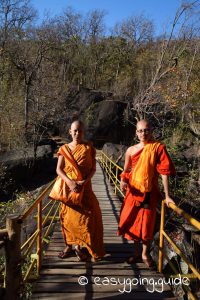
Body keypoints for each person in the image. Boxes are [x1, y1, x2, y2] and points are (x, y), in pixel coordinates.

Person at [117, 119, 176, 268]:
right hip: (133, 191)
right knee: (133, 223)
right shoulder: (130, 150)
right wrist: (122, 181)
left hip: (149, 192)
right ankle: (137, 253)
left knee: (147, 224)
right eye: (141, 130)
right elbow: (126, 170)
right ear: (136, 132)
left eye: (147, 130)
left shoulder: (157, 148)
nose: (144, 133)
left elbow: (164, 173)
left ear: (151, 131)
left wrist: (167, 196)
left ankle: (144, 254)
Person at [49, 120, 105, 261]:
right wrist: (70, 182)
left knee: (88, 216)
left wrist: (84, 182)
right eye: (74, 131)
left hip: (85, 188)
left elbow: (93, 169)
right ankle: (69, 245)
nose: (77, 133)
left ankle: (81, 246)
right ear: (70, 131)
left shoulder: (89, 148)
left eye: (80, 131)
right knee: (68, 219)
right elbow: (59, 169)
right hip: (69, 190)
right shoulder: (64, 149)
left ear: (83, 132)